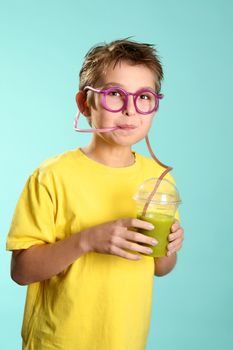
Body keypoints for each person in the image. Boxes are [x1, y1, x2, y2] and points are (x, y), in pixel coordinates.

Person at [6, 38, 184, 350]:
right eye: (115, 93)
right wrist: (88, 240)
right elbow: (21, 271)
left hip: (125, 341)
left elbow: (161, 267)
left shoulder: (157, 179)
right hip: (57, 341)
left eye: (144, 97)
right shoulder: (52, 177)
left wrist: (170, 246)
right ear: (85, 103)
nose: (130, 109)